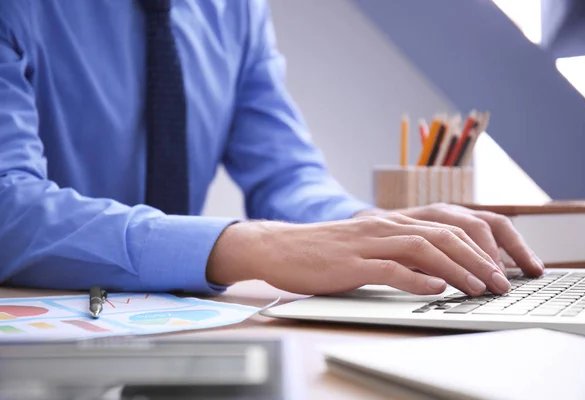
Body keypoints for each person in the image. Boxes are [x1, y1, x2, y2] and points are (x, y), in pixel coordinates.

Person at [0, 0, 544, 299]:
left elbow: (286, 173)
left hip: (185, 329)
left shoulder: (237, 9)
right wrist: (251, 245)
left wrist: (369, 227)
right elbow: (10, 206)